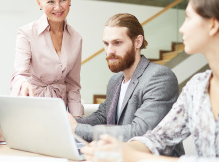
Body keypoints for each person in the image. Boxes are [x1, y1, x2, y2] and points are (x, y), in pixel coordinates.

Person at [81, 0, 219, 162]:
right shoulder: (197, 87)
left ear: (213, 25)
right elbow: (158, 138)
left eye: (188, 17)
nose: (181, 28)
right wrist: (116, 150)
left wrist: (134, 157)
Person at [67, 13, 184, 156]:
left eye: (117, 43)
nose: (110, 51)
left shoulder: (159, 77)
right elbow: (102, 116)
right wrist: (70, 122)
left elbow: (140, 131)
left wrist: (77, 129)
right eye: (106, 43)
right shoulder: (115, 81)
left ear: (138, 42)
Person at [10, 0, 84, 117]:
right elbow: (20, 74)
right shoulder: (26, 33)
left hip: (58, 109)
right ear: (40, 3)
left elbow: (73, 86)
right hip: (30, 105)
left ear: (69, 0)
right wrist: (24, 83)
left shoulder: (76, 39)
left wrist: (77, 121)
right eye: (50, 2)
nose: (58, 7)